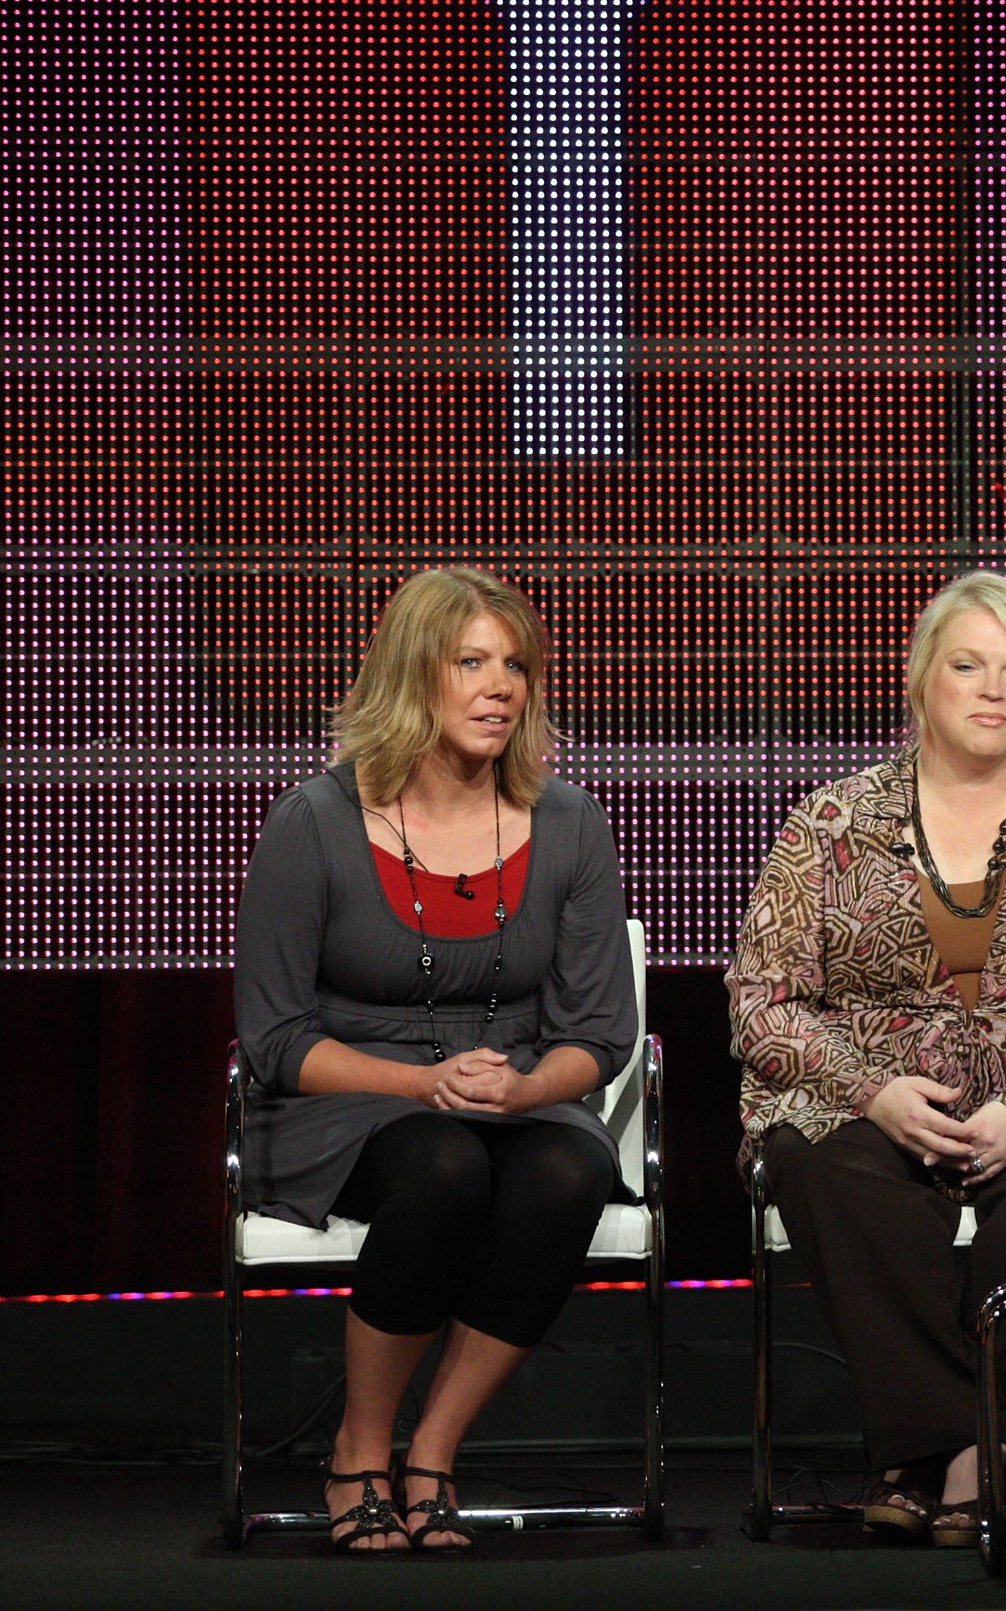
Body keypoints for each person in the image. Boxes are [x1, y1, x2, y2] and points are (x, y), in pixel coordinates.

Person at [728, 571, 1006, 1547]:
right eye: (970, 664)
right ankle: (971, 1445)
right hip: (873, 1102)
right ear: (921, 679)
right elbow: (761, 1003)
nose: (993, 688)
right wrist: (872, 1091)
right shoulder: (833, 823)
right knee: (835, 1168)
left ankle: (930, 1456)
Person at [234, 567, 636, 1553]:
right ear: (414, 673)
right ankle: (358, 1448)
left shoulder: (569, 821)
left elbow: (600, 1029)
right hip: (347, 1099)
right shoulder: (313, 821)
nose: (501, 685)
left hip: (512, 1098)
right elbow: (275, 1037)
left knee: (570, 1166)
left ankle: (434, 1453)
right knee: (442, 1165)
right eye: (471, 662)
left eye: (515, 665)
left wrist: (533, 1085)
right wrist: (421, 1083)